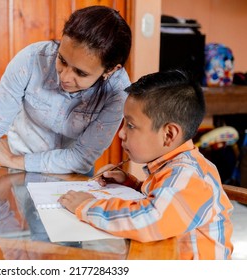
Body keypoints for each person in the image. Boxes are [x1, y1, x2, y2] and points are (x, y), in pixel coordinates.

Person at [0, 6, 132, 193]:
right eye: (62, 60)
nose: (64, 77)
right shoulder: (30, 60)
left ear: (110, 69)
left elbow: (81, 157)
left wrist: (13, 159)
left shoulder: (117, 93)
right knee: (33, 229)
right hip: (23, 170)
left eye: (80, 73)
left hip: (68, 172)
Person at [59, 70, 234, 260]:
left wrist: (87, 205)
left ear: (168, 135)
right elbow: (163, 199)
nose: (121, 134)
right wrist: (131, 184)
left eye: (131, 126)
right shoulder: (173, 166)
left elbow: (147, 219)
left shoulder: (188, 175)